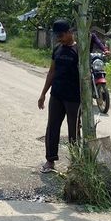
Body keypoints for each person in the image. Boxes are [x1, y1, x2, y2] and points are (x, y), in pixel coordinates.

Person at [38, 19, 80, 173]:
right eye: (57, 36)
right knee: (52, 127)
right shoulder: (57, 49)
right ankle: (50, 161)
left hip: (74, 98)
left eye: (61, 35)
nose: (59, 38)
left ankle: (75, 163)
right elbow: (52, 71)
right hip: (56, 95)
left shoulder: (79, 51)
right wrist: (43, 93)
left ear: (70, 32)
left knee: (74, 130)